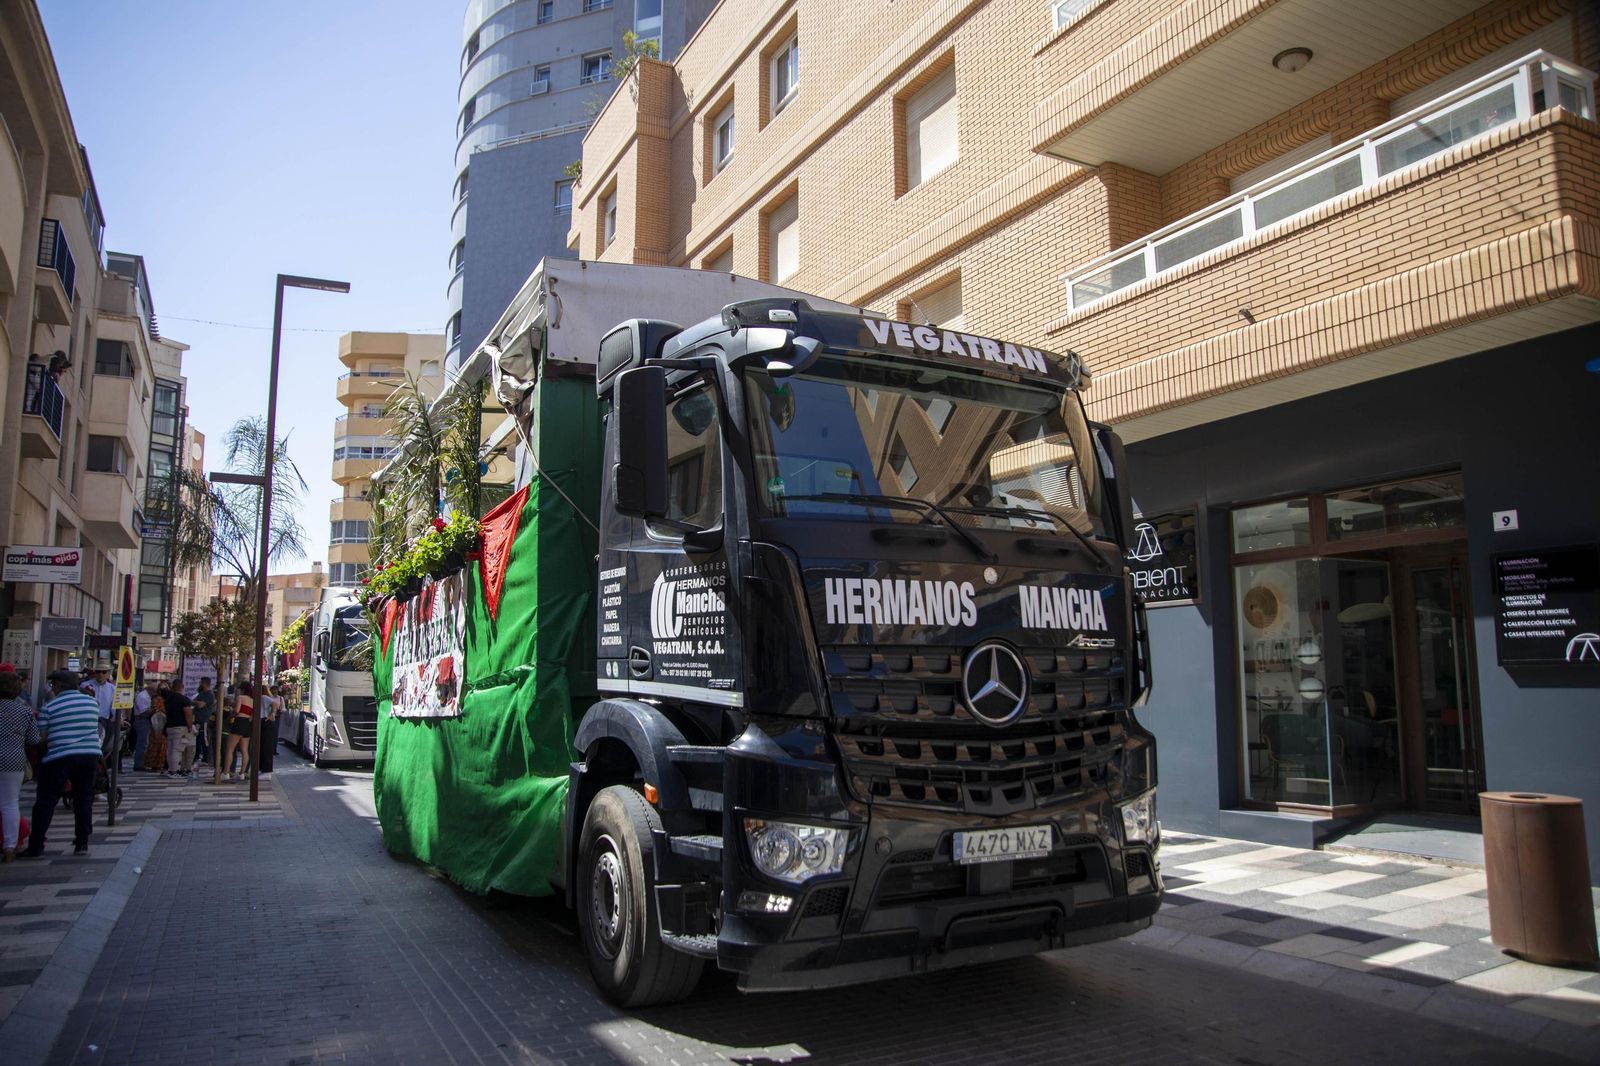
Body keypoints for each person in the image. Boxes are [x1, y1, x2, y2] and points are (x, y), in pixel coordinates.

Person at [25, 670, 102, 857]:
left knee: (46, 800)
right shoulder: (92, 704)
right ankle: (82, 842)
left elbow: (41, 738)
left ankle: (36, 845)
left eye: (53, 685)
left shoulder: (50, 707)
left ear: (58, 686)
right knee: (84, 799)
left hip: (59, 757)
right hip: (89, 756)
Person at [0, 670, 39, 862]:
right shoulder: (24, 711)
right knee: (10, 803)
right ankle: (9, 846)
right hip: (13, 759)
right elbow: (34, 739)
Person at [161, 681, 196, 776]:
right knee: (177, 749)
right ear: (182, 687)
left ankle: (170, 769)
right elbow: (188, 713)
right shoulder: (184, 699)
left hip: (169, 726)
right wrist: (190, 726)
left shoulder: (168, 699)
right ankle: (175, 771)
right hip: (180, 727)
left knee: (170, 749)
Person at [221, 679, 253, 782]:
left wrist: (232, 712)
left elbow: (237, 710)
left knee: (230, 748)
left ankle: (225, 772)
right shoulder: (253, 700)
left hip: (239, 722)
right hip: (247, 724)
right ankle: (242, 772)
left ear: (242, 689)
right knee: (244, 750)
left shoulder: (240, 697)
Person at [131, 678, 157, 771]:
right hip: (142, 720)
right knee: (142, 742)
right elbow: (143, 711)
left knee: (145, 742)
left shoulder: (147, 696)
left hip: (146, 720)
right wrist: (154, 710)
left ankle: (143, 762)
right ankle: (139, 764)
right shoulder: (142, 696)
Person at [191, 677, 216, 766]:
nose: (200, 684)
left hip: (205, 719)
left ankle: (206, 758)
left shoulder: (209, 695)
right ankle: (196, 756)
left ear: (205, 684)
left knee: (204, 739)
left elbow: (201, 705)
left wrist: (196, 702)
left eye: (201, 683)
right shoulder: (201, 694)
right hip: (197, 719)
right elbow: (194, 703)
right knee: (198, 739)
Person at [93, 666, 116, 757]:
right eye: (98, 672)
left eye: (103, 672)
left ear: (108, 674)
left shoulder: (112, 688)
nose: (101, 674)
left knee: (101, 746)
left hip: (104, 721)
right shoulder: (86, 685)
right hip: (89, 720)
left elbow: (113, 706)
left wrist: (118, 719)